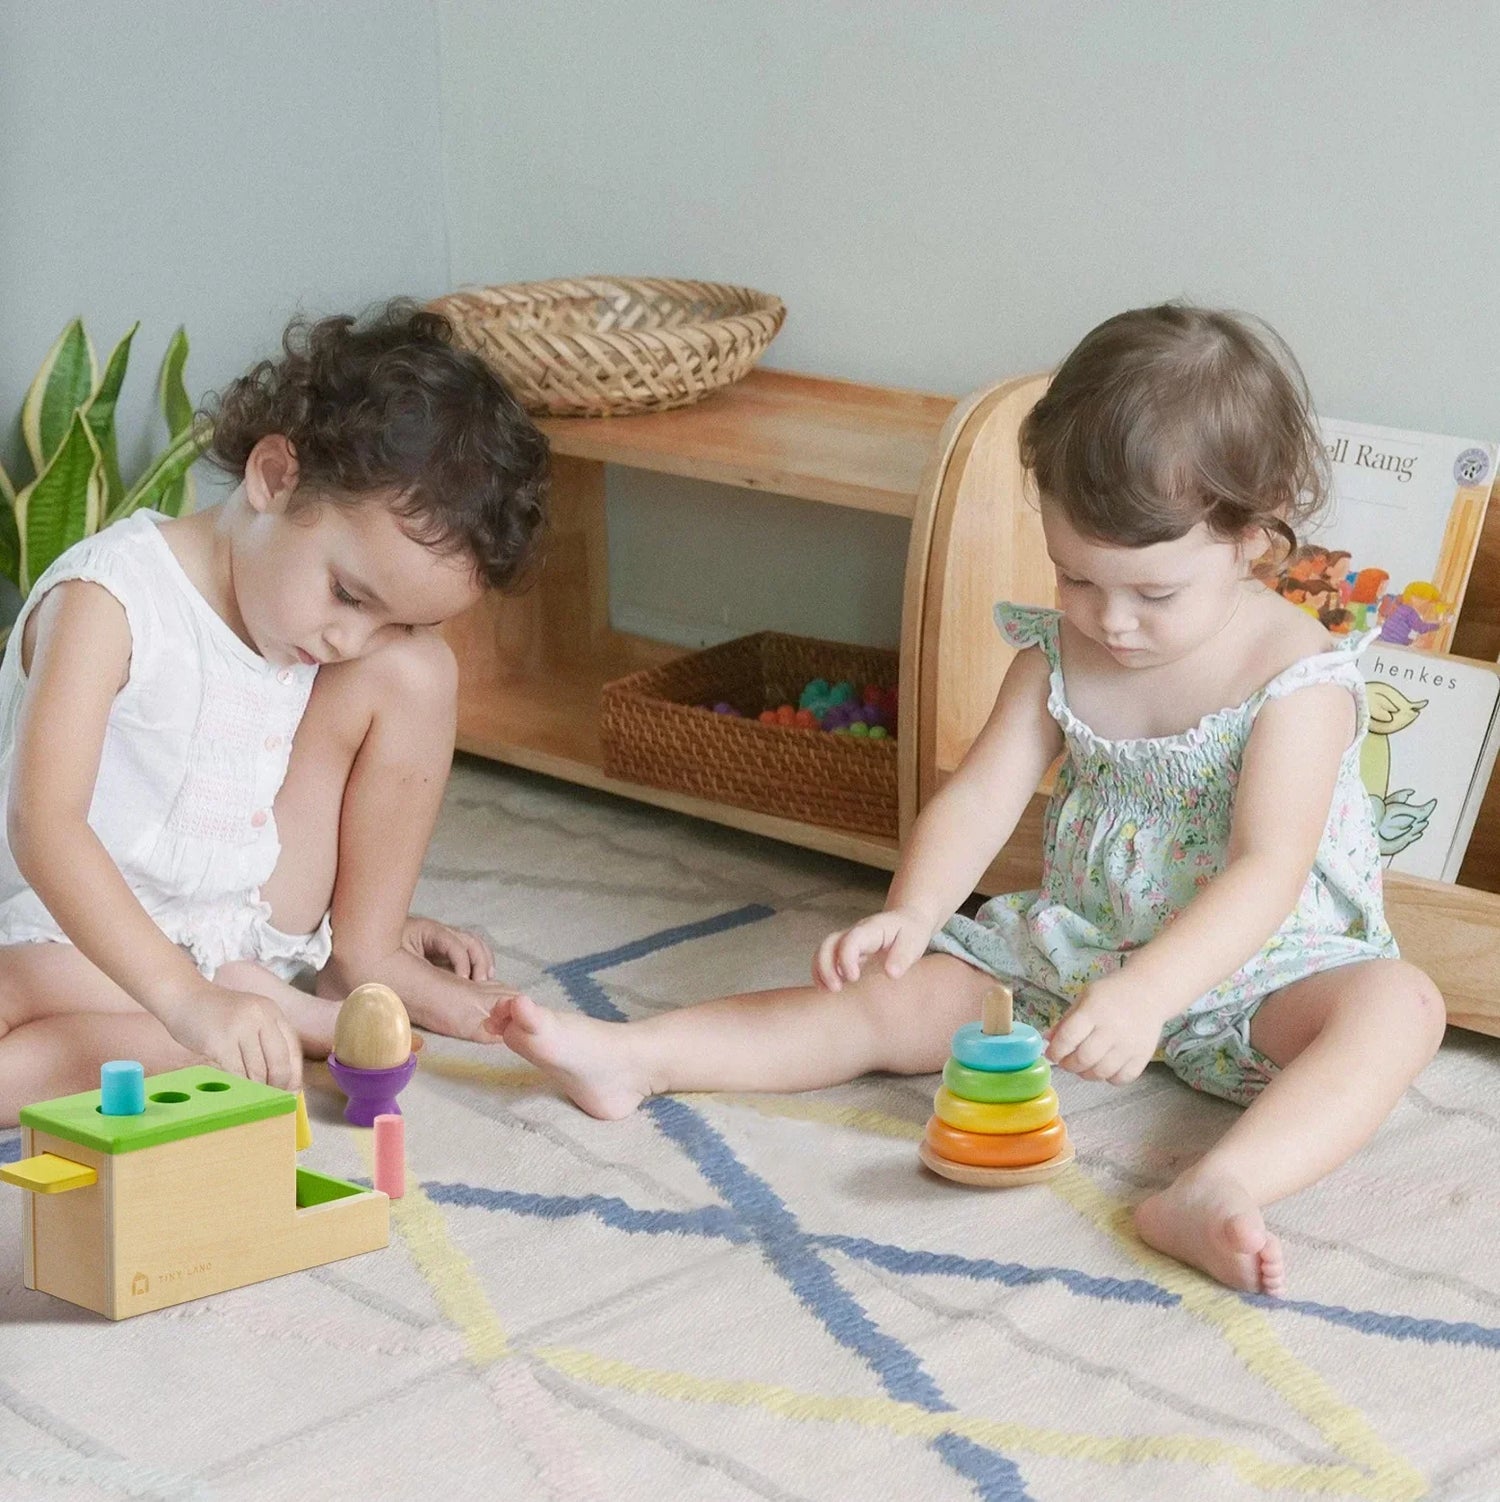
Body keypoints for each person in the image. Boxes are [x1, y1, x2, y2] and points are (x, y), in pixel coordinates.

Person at [492, 304, 1447, 1296]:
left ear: (1253, 534)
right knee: (879, 1000)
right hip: (1077, 950)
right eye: (1076, 577)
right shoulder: (1061, 649)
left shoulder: (1297, 676)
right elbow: (982, 793)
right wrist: (912, 913)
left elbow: (1268, 868)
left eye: (1153, 593)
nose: (1111, 621)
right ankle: (638, 1055)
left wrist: (1152, 995)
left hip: (1262, 972)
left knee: (1400, 1007)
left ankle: (1218, 1185)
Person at [0, 301, 549, 1121]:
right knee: (47, 1009)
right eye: (348, 594)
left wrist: (360, 923)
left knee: (418, 673)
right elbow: (43, 826)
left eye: (391, 619)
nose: (348, 639)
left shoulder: (313, 620)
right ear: (273, 477)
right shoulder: (108, 600)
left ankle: (361, 956)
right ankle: (268, 1017)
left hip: (240, 914)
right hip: (77, 931)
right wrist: (187, 998)